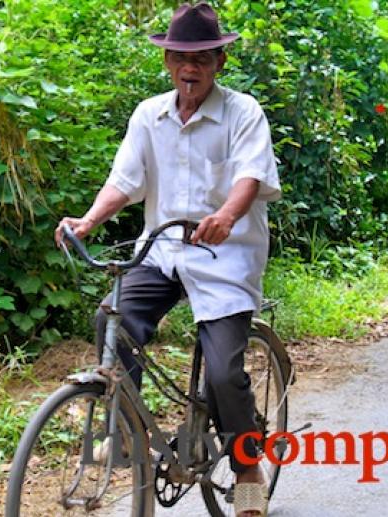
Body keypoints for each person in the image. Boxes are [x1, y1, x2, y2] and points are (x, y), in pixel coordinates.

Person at [55, 3, 280, 516]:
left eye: (201, 57)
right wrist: (88, 221)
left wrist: (225, 215)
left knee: (223, 374)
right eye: (180, 56)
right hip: (161, 253)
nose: (190, 67)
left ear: (220, 60)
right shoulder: (148, 114)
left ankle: (248, 464)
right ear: (167, 62)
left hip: (224, 257)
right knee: (114, 321)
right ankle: (132, 432)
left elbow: (249, 177)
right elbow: (124, 181)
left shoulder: (242, 112)